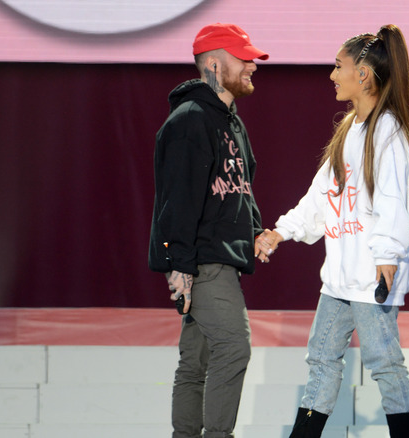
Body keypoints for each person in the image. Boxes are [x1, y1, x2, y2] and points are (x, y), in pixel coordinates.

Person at [255, 24, 409, 438]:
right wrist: (283, 231)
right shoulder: (349, 130)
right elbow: (321, 195)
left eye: (338, 66)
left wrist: (387, 256)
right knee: (322, 359)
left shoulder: (388, 132)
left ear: (363, 73)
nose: (332, 75)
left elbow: (393, 199)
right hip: (339, 280)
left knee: (385, 364)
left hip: (371, 279)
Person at [148, 23, 268, 438]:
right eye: (244, 58)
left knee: (196, 363)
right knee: (234, 348)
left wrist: (254, 231)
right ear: (215, 65)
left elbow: (241, 188)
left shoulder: (230, 122)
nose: (252, 65)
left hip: (220, 260)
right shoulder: (190, 120)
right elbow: (176, 200)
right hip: (203, 261)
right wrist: (178, 265)